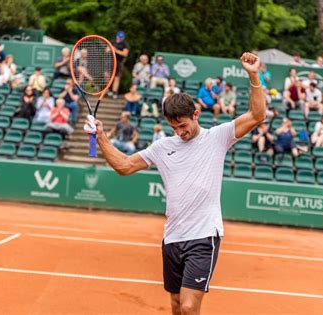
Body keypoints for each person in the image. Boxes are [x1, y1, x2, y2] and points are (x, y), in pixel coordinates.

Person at [84, 52, 265, 315]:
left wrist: (253, 74)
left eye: (183, 126)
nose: (179, 133)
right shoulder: (163, 147)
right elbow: (124, 166)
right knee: (176, 305)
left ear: (196, 114)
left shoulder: (218, 137)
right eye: (174, 128)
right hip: (173, 237)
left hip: (204, 236)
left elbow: (257, 115)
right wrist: (100, 137)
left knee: (190, 307)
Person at [109, 31, 129, 99]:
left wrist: (115, 50)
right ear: (116, 36)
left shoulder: (124, 44)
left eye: (121, 37)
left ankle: (114, 92)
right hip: (110, 61)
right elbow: (106, 50)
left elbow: (125, 54)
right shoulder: (112, 42)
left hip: (119, 62)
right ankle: (108, 90)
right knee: (107, 75)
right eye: (119, 37)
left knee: (117, 78)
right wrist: (110, 49)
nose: (120, 38)